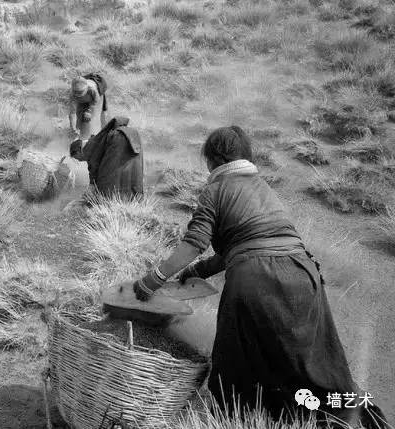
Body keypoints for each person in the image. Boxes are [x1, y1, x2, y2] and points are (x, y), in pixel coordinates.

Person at [125, 126, 389, 429]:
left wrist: (153, 280)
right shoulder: (263, 188)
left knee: (237, 363)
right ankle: (348, 417)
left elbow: (195, 243)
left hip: (254, 279)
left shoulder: (216, 189)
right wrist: (197, 272)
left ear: (213, 160)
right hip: (304, 273)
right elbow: (250, 242)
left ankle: (240, 418)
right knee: (313, 361)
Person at [69, 116, 143, 200]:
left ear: (79, 151)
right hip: (133, 136)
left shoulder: (89, 147)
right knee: (132, 171)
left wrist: (91, 189)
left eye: (77, 158)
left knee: (105, 180)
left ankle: (109, 200)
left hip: (118, 138)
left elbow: (94, 167)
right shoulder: (95, 141)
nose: (80, 160)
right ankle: (131, 199)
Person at [68, 74, 108, 142]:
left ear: (86, 88)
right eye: (76, 92)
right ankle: (79, 136)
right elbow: (72, 113)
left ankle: (104, 134)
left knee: (94, 117)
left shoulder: (92, 89)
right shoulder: (72, 94)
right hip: (82, 101)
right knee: (80, 117)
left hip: (95, 100)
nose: (78, 94)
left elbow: (96, 102)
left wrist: (89, 111)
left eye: (80, 92)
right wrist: (73, 128)